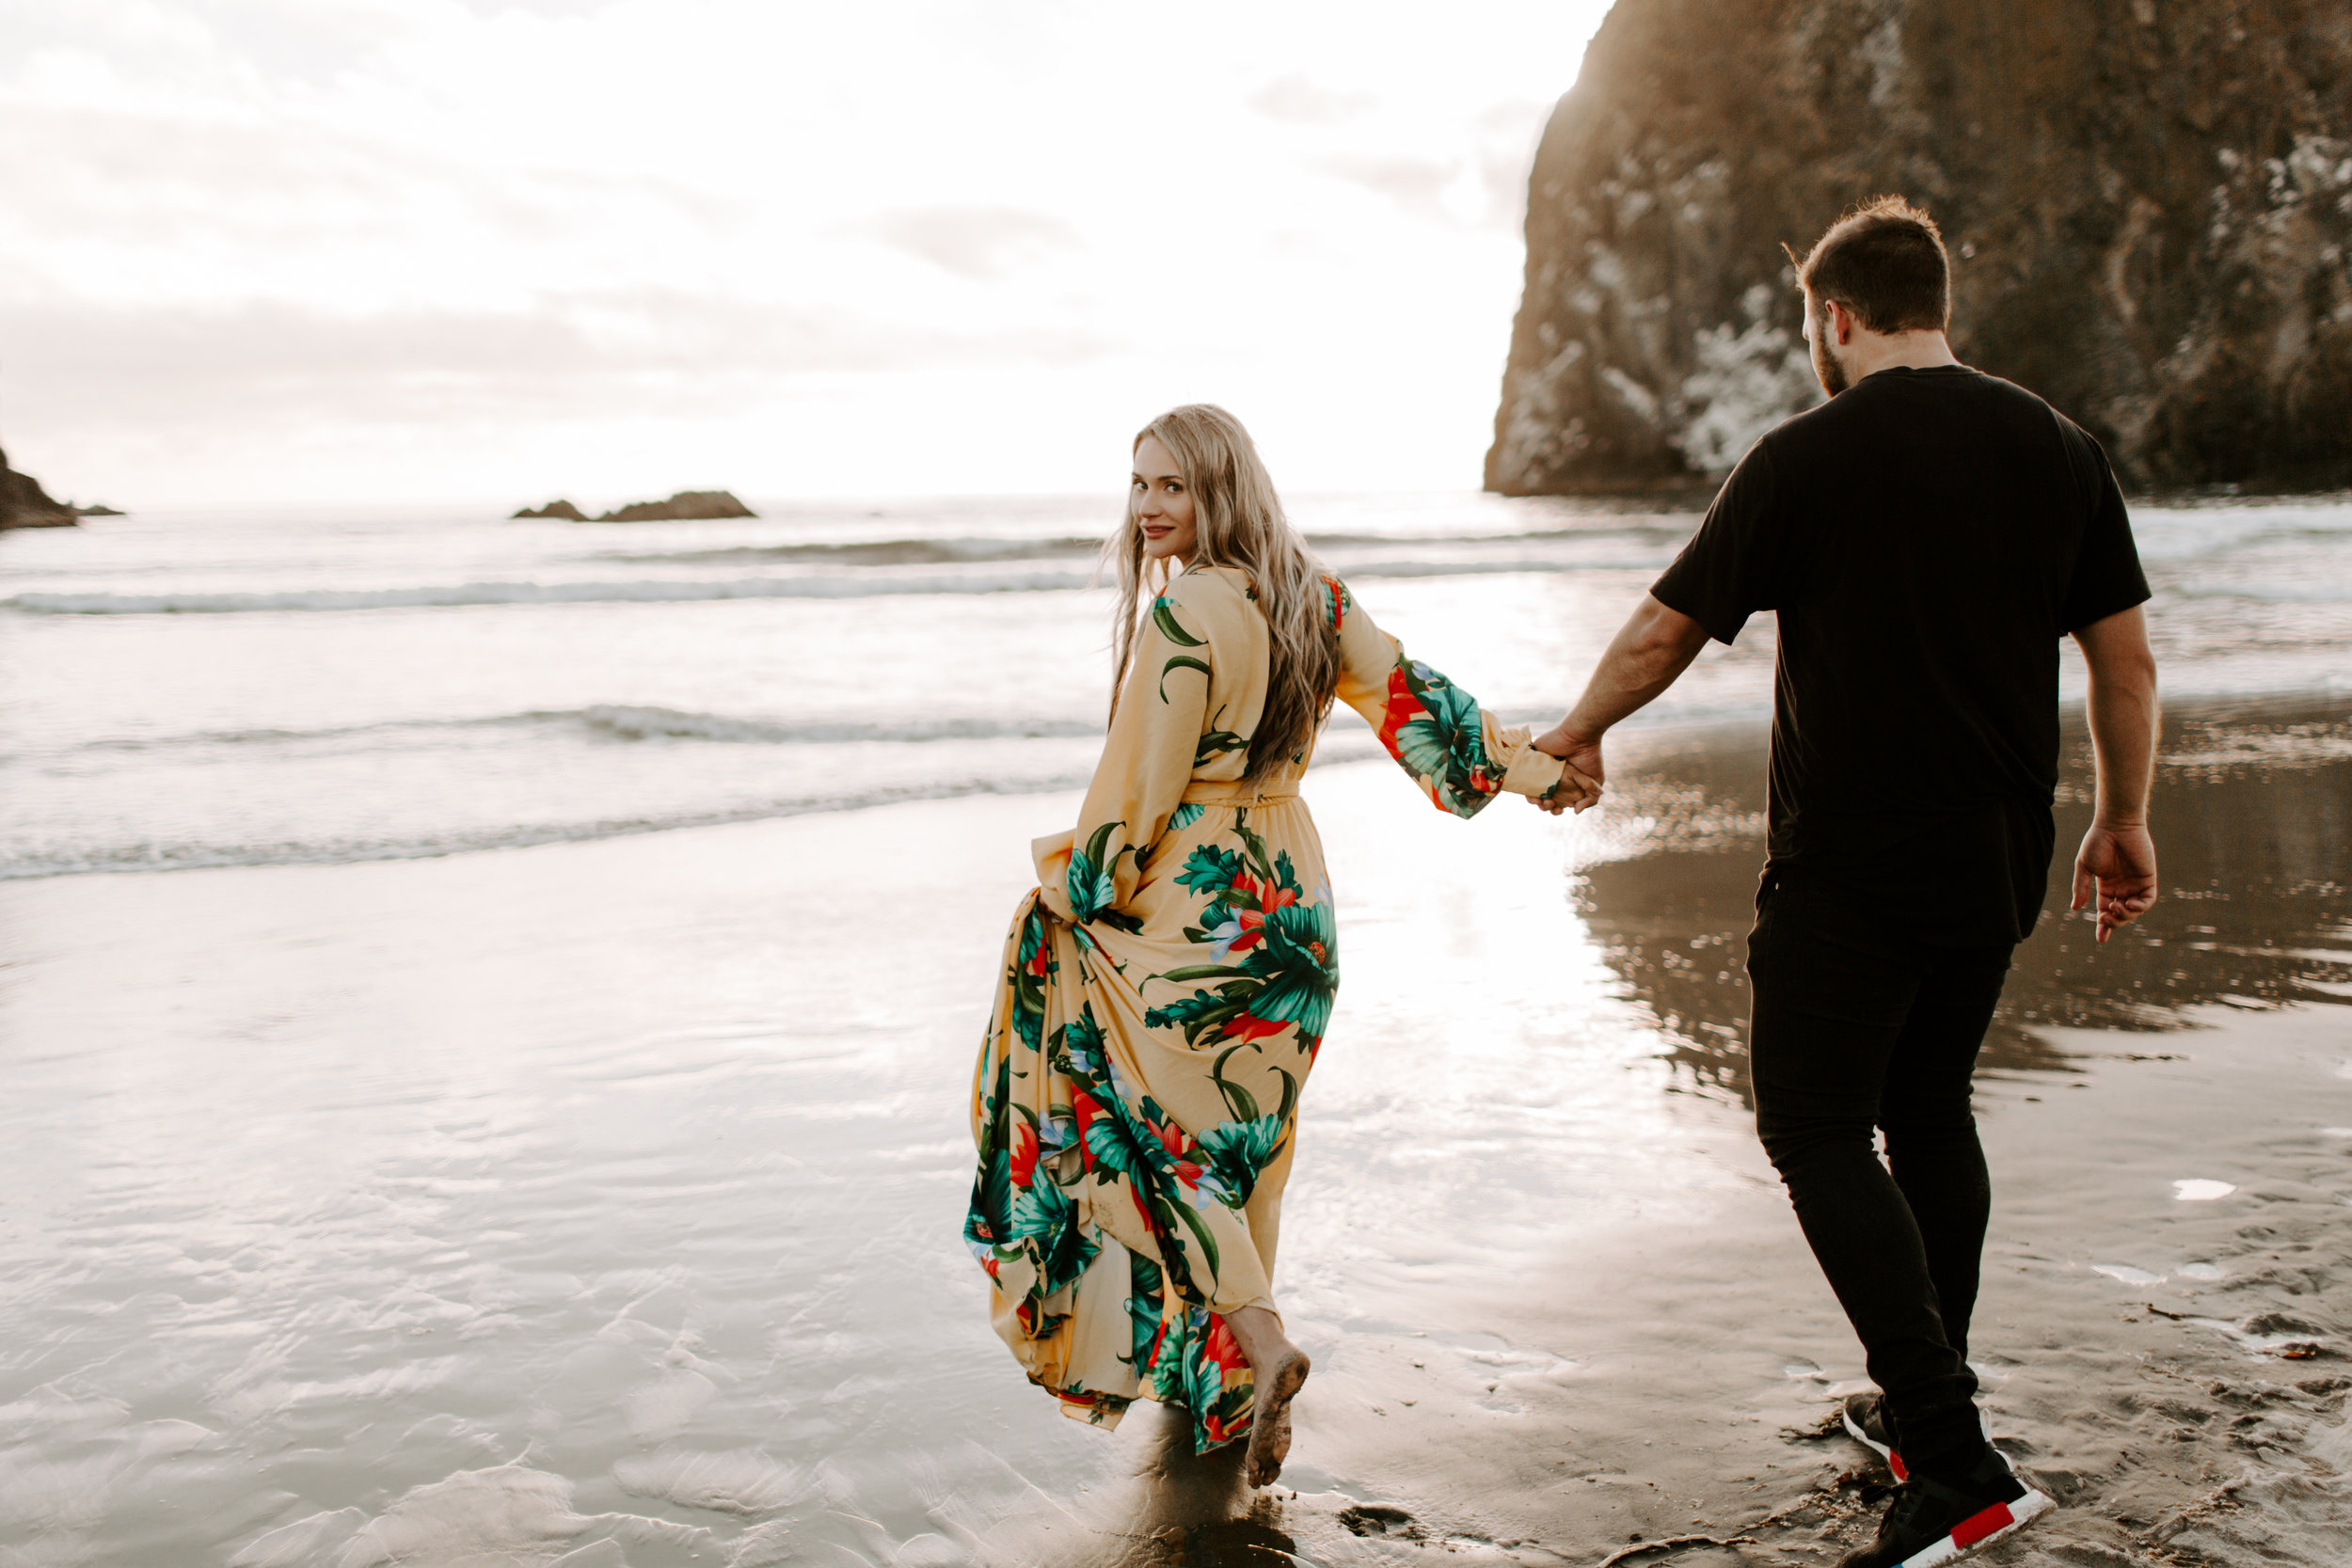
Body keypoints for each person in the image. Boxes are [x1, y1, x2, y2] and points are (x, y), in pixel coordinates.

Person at [1530, 198, 2160, 1568]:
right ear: (1937, 301)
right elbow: (2125, 662)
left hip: (1852, 861)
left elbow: (1665, 628)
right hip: (1998, 853)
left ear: (1834, 315)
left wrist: (1577, 731)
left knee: (1815, 1127)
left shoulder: (1802, 458)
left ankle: (1952, 1456)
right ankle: (1921, 1411)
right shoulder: (2060, 448)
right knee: (1928, 1106)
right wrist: (2124, 819)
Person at [964, 404, 1589, 1487]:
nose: (1150, 507)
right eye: (1139, 485)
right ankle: (1224, 1395)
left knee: (1156, 1134)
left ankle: (1256, 1342)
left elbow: (1134, 794)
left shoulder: (1182, 619)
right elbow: (1416, 704)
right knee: (1249, 1149)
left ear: (1221, 488)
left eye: (1173, 486)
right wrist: (1536, 766)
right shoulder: (1312, 596)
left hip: (1193, 906)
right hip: (1292, 906)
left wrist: (1080, 885)